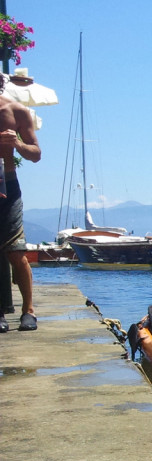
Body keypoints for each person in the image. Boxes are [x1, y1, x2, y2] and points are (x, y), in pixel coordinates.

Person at [0, 73, 42, 333]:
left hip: (7, 183)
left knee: (15, 251)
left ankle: (29, 311)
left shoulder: (16, 111)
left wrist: (16, 142)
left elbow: (36, 154)